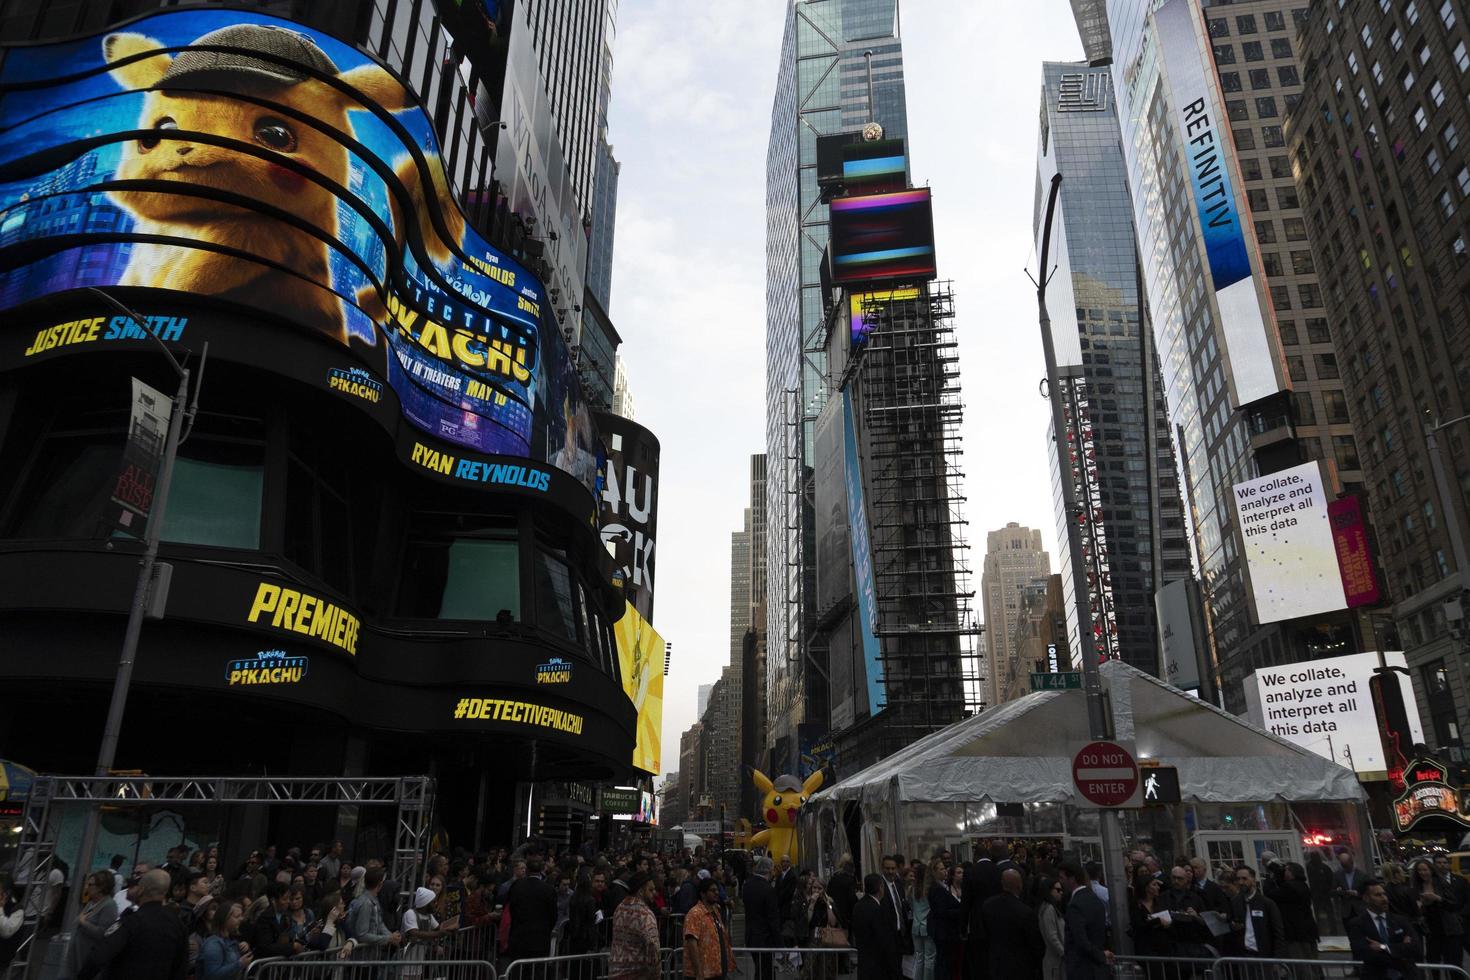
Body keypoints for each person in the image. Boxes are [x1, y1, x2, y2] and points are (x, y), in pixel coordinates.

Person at [78, 869, 188, 980]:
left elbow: (99, 956)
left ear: (141, 890)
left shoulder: (132, 921)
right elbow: (181, 968)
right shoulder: (178, 925)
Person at [1348, 879, 1423, 980]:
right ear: (1366, 898)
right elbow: (1364, 954)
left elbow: (1416, 948)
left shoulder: (1400, 920)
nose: (1384, 898)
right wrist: (1402, 954)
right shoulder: (1357, 924)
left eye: (1384, 894)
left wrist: (1384, 947)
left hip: (1406, 976)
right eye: (1378, 895)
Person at [980, 867, 1043, 978]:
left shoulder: (988, 905)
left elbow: (984, 934)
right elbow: (1035, 944)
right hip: (1020, 967)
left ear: (1002, 883)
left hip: (995, 963)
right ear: (1020, 885)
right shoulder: (1026, 912)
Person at [1060, 862, 1110, 980]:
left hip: (1082, 968)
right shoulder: (1095, 899)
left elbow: (1081, 941)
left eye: (1062, 877)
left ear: (1072, 879)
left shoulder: (1075, 905)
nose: (1060, 881)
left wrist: (1101, 956)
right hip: (1097, 968)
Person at [66, 870, 119, 979]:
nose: (87, 887)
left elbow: (104, 933)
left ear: (101, 887)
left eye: (90, 885)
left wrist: (84, 923)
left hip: (89, 957)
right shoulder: (91, 903)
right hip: (77, 954)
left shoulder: (109, 905)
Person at [1265, 861, 1320, 963]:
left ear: (1292, 872)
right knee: (1313, 962)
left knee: (1301, 964)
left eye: (1286, 870)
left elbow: (1270, 894)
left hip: (1296, 933)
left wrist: (1271, 878)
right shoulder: (1303, 885)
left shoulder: (1289, 888)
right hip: (1308, 930)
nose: (1283, 872)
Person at [1411, 857, 1463, 964]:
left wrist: (1437, 898)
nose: (1422, 873)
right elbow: (1414, 911)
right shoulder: (1416, 887)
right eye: (1419, 870)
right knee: (1433, 961)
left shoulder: (1441, 883)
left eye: (1425, 870)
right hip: (1431, 931)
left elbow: (1453, 905)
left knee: (1453, 962)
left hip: (1449, 929)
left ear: (1431, 870)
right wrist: (1419, 906)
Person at [506, 855, 558, 960]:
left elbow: (512, 909)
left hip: (519, 937)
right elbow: (553, 915)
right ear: (542, 869)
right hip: (540, 939)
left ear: (527, 869)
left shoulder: (517, 886)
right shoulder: (549, 890)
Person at [683, 876, 735, 980]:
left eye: (717, 890)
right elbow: (692, 943)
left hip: (717, 971)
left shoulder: (715, 911)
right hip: (703, 973)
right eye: (712, 890)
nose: (716, 893)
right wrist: (698, 972)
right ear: (703, 894)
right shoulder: (695, 914)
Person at [611, 873, 660, 980]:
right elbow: (653, 948)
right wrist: (656, 975)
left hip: (616, 973)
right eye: (651, 890)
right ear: (641, 892)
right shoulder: (645, 914)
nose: (654, 893)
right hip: (637, 974)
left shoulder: (619, 908)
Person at [742, 856, 783, 980]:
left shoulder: (747, 885)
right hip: (765, 938)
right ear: (769, 871)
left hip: (751, 935)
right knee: (765, 971)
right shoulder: (768, 889)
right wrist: (780, 943)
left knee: (761, 969)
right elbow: (772, 918)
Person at [852, 873, 900, 980]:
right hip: (877, 964)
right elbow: (883, 939)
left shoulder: (858, 906)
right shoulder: (877, 909)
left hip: (864, 961)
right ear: (880, 888)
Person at [1228, 866, 1284, 957]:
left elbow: (1278, 932)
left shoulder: (1266, 903)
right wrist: (1233, 925)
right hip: (1243, 954)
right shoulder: (1235, 902)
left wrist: (1277, 958)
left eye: (1244, 878)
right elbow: (1230, 923)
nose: (1241, 882)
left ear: (1253, 880)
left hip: (1264, 954)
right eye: (1238, 879)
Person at [346, 867, 403, 952]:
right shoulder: (366, 903)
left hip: (371, 956)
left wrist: (392, 937)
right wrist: (388, 938)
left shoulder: (374, 900)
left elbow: (379, 923)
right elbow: (362, 935)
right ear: (380, 884)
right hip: (361, 959)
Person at [195, 900, 252, 980]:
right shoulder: (213, 944)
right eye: (237, 916)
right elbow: (212, 975)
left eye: (241, 916)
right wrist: (240, 964)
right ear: (225, 919)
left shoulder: (232, 940)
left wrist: (245, 948)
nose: (241, 919)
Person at [928, 863, 964, 980]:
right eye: (942, 869)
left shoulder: (942, 886)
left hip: (946, 931)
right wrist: (960, 910)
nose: (945, 871)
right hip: (943, 931)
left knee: (946, 961)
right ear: (935, 872)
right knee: (943, 961)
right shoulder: (937, 888)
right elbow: (941, 911)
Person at [1128, 870, 1168, 959]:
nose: (1157, 887)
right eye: (1154, 885)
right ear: (1146, 887)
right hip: (1146, 947)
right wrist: (1157, 921)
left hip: (1162, 947)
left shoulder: (1160, 903)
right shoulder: (1136, 905)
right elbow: (1138, 924)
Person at [910, 862, 935, 980]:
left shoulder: (912, 889)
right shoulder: (929, 890)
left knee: (919, 958)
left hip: (916, 926)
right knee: (929, 958)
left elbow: (911, 906)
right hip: (928, 926)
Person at [1038, 877, 1066, 980]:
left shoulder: (1051, 908)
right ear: (1049, 891)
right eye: (1058, 890)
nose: (1061, 893)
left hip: (1057, 959)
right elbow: (1052, 936)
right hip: (1055, 961)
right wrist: (1063, 953)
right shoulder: (1048, 909)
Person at [1334, 850, 1368, 928]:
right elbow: (1332, 891)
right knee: (1350, 931)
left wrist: (1357, 893)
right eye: (1343, 865)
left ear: (1351, 862)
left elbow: (1368, 891)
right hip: (1346, 911)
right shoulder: (1337, 875)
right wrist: (1341, 892)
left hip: (1360, 910)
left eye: (1346, 865)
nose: (1345, 868)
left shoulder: (1362, 875)